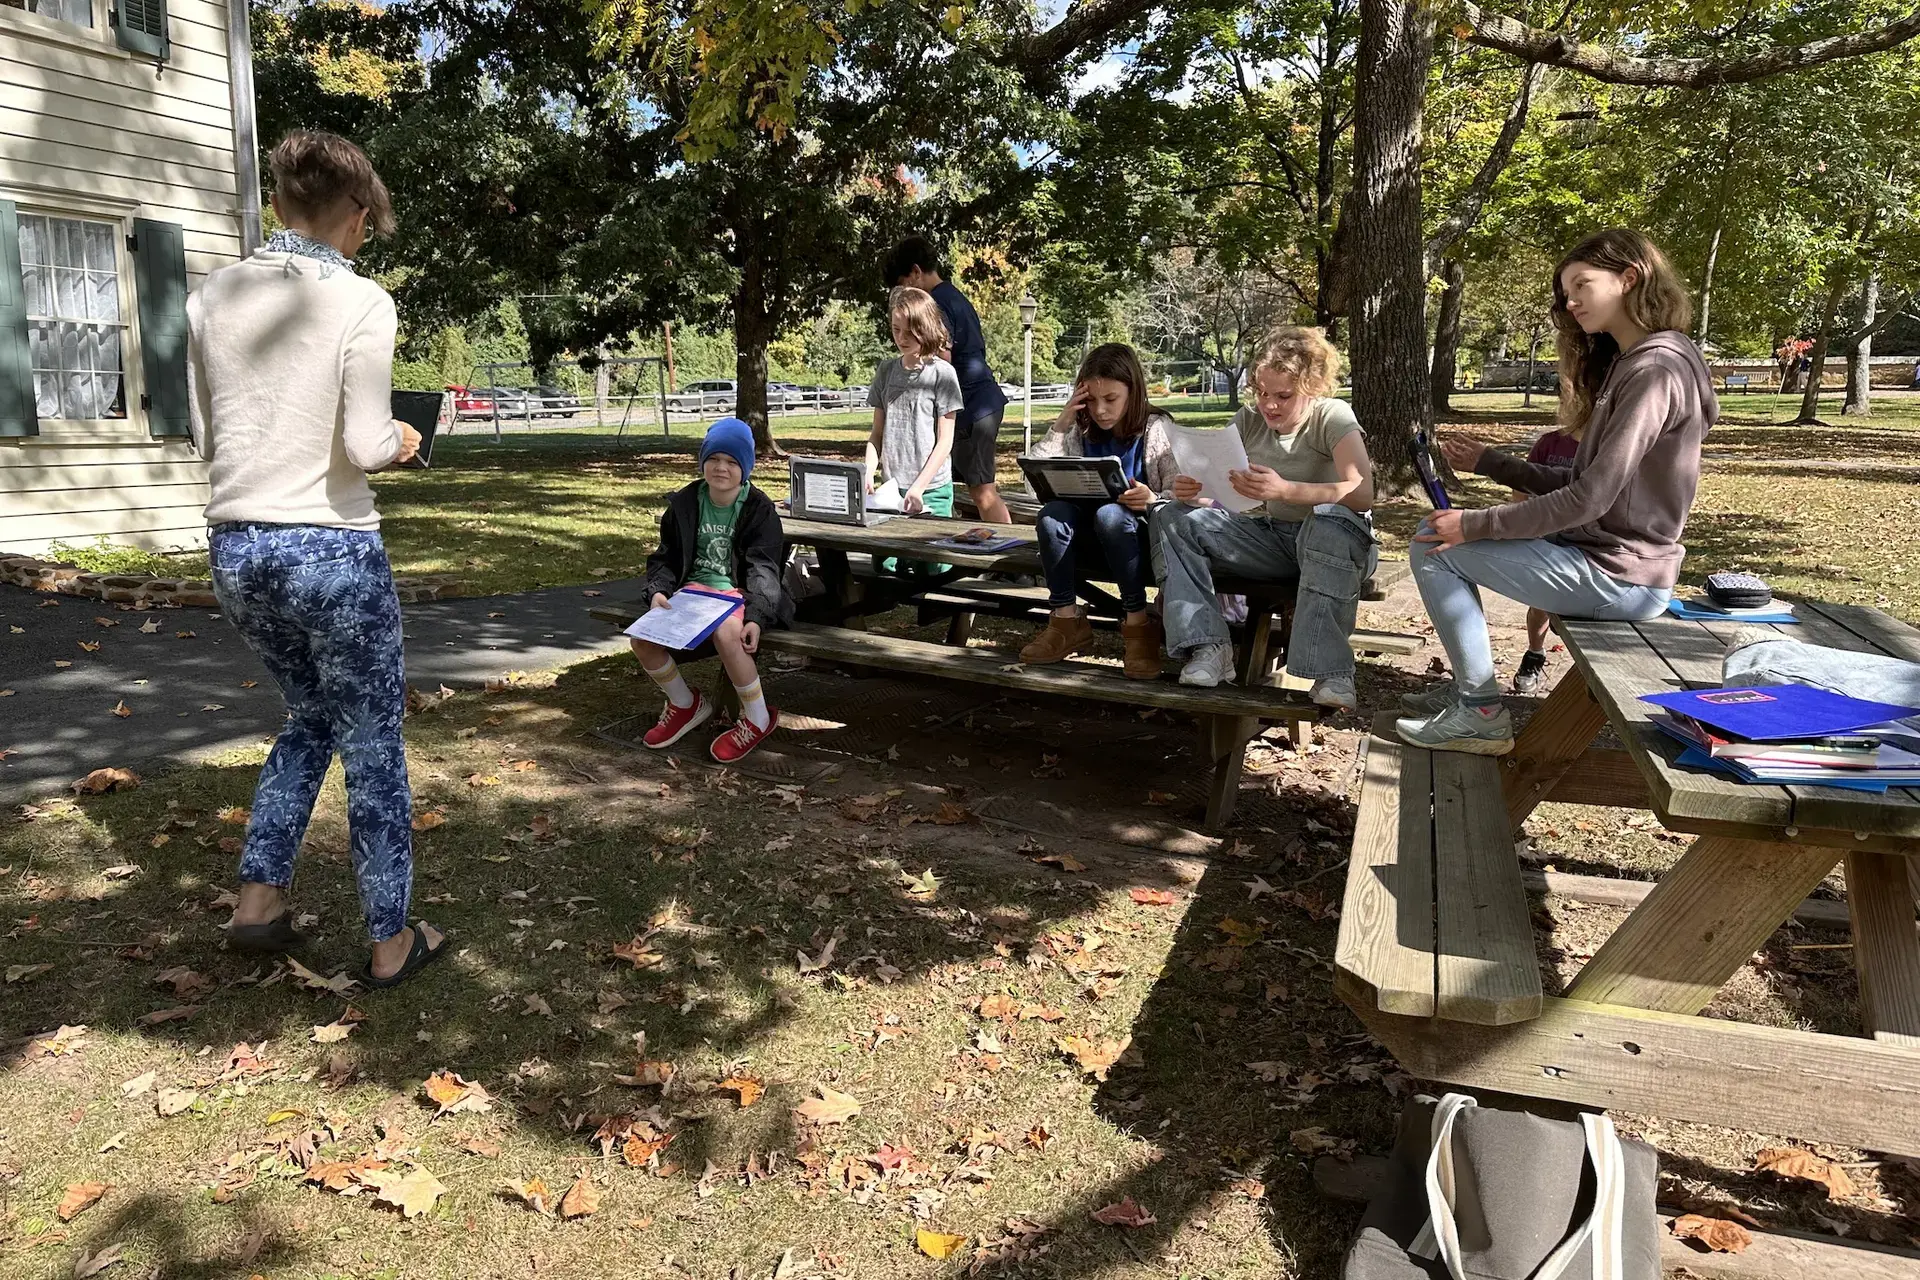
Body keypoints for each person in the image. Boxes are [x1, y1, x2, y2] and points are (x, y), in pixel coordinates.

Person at [186, 130, 441, 987]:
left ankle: (259, 899)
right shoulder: (361, 300)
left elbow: (205, 433)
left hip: (235, 546)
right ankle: (390, 940)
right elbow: (367, 445)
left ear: (281, 204)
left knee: (308, 718)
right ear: (358, 217)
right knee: (372, 742)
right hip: (329, 550)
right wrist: (406, 439)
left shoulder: (212, 295)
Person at [1398, 228, 1716, 754]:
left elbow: (1590, 498)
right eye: (1565, 292)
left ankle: (1478, 710)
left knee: (1432, 546)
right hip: (1617, 565)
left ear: (1629, 277)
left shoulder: (1655, 369)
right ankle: (1469, 699)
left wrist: (1476, 525)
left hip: (1622, 576)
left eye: (1581, 285)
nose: (1569, 303)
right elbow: (1587, 484)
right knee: (1437, 536)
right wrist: (1491, 464)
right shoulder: (1644, 361)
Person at [1152, 327, 1378, 710]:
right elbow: (1227, 493)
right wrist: (1194, 491)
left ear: (1313, 386)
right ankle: (1209, 648)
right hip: (1275, 538)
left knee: (1326, 523)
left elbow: (1361, 493)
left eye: (1283, 396)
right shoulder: (1250, 419)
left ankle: (1334, 674)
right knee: (1174, 516)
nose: (1269, 405)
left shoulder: (1333, 417)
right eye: (1262, 393)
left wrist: (1286, 490)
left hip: (1339, 540)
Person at [634, 417, 795, 763]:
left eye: (732, 462)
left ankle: (757, 718)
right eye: (714, 459)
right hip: (691, 594)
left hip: (737, 594)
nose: (721, 468)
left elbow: (764, 569)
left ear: (746, 468)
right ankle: (684, 704)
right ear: (703, 461)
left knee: (728, 634)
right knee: (642, 640)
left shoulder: (758, 510)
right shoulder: (685, 504)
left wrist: (757, 617)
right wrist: (658, 592)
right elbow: (666, 557)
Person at [1020, 343, 1177, 677]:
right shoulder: (1079, 428)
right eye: (1091, 400)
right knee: (1051, 515)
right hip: (1084, 542)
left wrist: (1152, 498)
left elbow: (1182, 495)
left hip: (1137, 542)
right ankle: (1065, 622)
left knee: (1111, 515)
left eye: (1111, 399)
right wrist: (1061, 424)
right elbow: (1031, 486)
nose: (1101, 410)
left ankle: (1138, 627)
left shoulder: (1156, 428)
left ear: (1133, 393)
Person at [884, 236, 1012, 523]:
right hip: (982, 401)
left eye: (904, 284)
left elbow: (943, 360)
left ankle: (1013, 560)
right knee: (971, 490)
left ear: (916, 272)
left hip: (973, 407)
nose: (905, 296)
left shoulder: (935, 303)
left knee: (983, 492)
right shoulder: (953, 294)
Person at [1511, 427, 1580, 693]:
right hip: (1546, 536)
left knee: (1581, 615)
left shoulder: (1609, 444)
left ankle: (1581, 677)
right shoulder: (1550, 443)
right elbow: (1520, 493)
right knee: (1540, 601)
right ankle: (1535, 654)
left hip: (1587, 543)